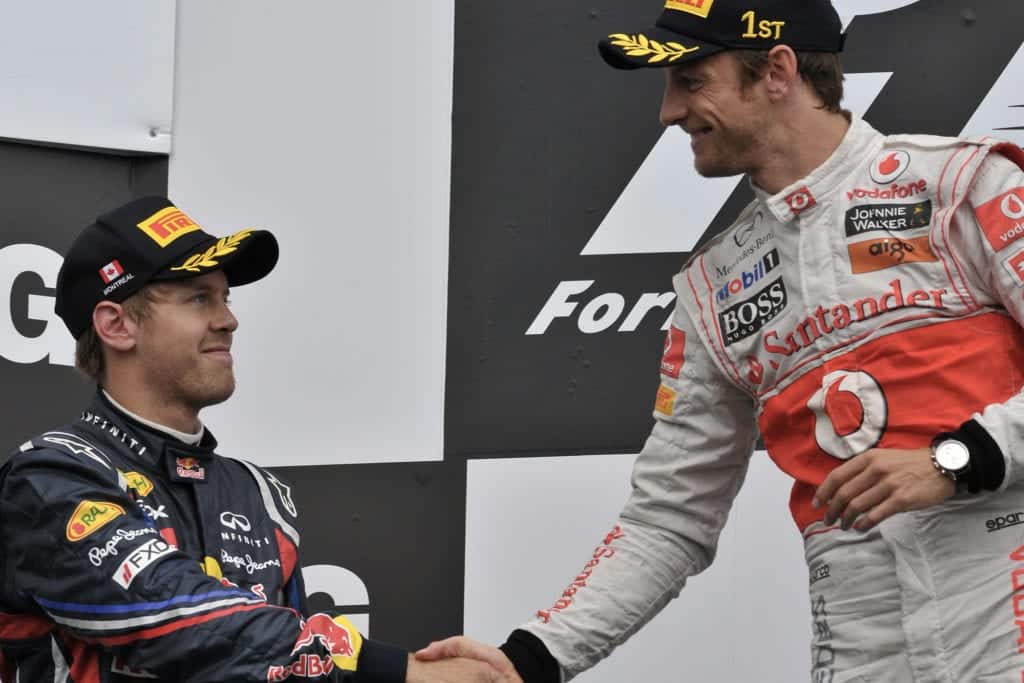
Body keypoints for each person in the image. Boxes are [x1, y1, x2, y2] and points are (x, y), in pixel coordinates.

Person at [416, 0, 1024, 680]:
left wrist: (954, 458)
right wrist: (532, 657)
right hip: (862, 645)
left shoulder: (960, 186)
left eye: (691, 80)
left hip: (1006, 605)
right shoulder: (714, 288)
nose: (668, 112)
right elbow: (669, 520)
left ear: (777, 71)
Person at [0, 196, 505, 682]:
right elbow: (177, 618)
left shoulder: (257, 493)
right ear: (117, 324)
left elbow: (290, 667)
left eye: (226, 298)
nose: (228, 320)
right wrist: (397, 671)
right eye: (199, 298)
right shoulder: (49, 480)